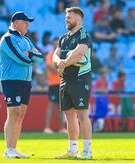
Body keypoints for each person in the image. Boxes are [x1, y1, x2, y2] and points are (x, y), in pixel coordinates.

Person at [0, 11, 43, 158]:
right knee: (14, 113)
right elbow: (20, 59)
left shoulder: (26, 40)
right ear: (16, 22)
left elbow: (40, 58)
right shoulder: (7, 39)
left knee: (21, 115)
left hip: (26, 81)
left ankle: (14, 148)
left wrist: (29, 54)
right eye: (25, 22)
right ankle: (8, 149)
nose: (28, 25)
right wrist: (29, 56)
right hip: (11, 81)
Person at [53, 7, 92, 159]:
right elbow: (55, 55)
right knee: (69, 116)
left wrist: (63, 64)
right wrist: (59, 63)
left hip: (80, 79)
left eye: (69, 17)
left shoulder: (84, 35)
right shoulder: (63, 38)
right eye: (66, 17)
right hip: (65, 80)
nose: (66, 19)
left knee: (82, 114)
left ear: (79, 18)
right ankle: (72, 150)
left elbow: (79, 53)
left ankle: (87, 151)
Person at [44, 38, 67, 134]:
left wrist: (61, 66)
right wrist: (62, 66)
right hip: (53, 84)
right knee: (51, 106)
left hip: (62, 82)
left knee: (62, 107)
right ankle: (47, 128)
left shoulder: (63, 55)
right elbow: (53, 69)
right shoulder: (50, 55)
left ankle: (61, 128)